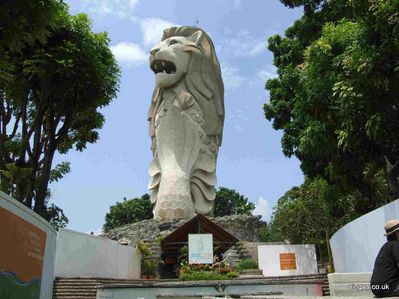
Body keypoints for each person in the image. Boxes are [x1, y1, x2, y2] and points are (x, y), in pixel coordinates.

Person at [370, 220, 399, 297]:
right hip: (389, 287)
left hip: (376, 289)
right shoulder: (396, 245)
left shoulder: (385, 247)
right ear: (397, 233)